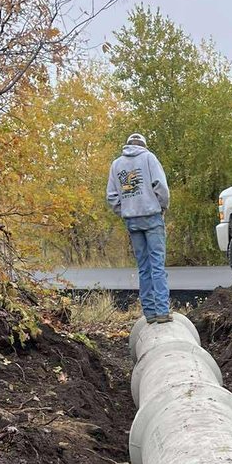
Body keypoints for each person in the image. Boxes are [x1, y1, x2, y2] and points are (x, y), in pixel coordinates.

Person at [106, 133, 171, 324]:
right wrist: (162, 207)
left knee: (143, 267)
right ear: (143, 145)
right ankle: (162, 311)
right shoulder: (149, 158)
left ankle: (149, 313)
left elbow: (111, 196)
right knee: (157, 265)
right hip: (152, 217)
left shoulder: (116, 165)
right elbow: (161, 186)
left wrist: (125, 210)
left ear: (127, 145)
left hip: (132, 221)